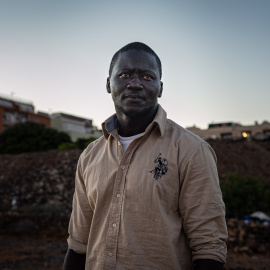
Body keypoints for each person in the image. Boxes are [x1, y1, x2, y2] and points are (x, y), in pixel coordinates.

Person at [63, 42, 228, 270]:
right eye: (124, 74)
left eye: (147, 77)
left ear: (160, 88)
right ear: (108, 84)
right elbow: (78, 243)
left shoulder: (191, 150)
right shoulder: (90, 156)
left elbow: (209, 247)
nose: (135, 84)